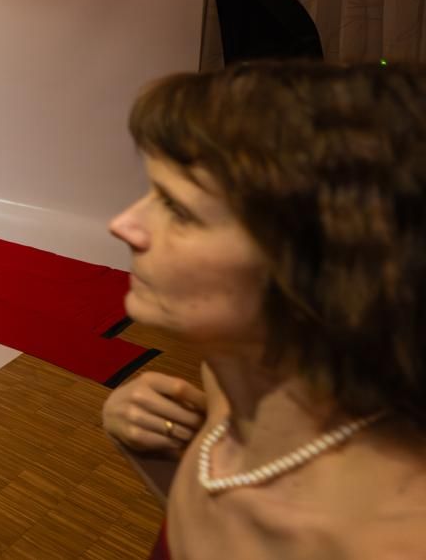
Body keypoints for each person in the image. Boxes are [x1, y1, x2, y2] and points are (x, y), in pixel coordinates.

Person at [101, 61, 426, 559]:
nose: (123, 224)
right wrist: (148, 444)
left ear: (321, 266)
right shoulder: (229, 389)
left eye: (180, 209)